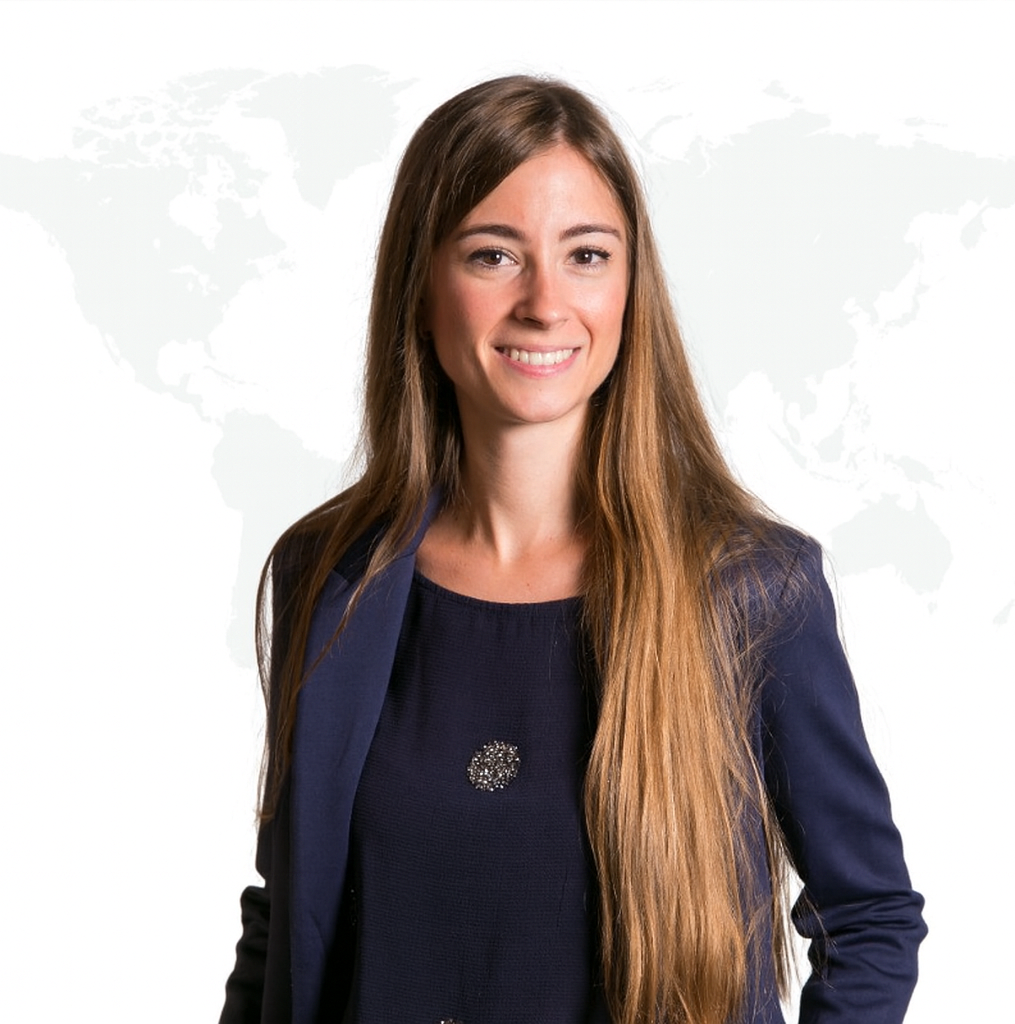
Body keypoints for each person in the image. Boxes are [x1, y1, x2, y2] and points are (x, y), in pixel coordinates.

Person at [219, 76, 925, 1024]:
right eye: (493, 255)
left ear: (630, 290)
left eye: (586, 255)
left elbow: (869, 918)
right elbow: (284, 922)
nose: (545, 303)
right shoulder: (329, 575)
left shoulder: (750, 589)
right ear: (421, 290)